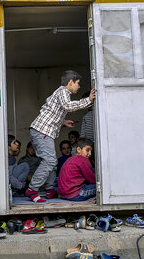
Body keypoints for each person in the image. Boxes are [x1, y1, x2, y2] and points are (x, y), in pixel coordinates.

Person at [25, 70, 95, 202]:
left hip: (41, 131)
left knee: (52, 161)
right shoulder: (63, 91)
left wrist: (62, 122)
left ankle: (50, 190)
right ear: (70, 82)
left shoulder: (58, 93)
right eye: (78, 83)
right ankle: (32, 190)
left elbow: (49, 111)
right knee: (50, 161)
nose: (79, 86)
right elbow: (68, 106)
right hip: (42, 132)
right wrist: (88, 100)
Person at [57, 137, 96, 201]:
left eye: (91, 151)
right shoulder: (83, 159)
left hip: (63, 195)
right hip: (75, 194)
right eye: (87, 150)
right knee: (102, 187)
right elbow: (92, 179)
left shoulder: (70, 159)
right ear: (78, 149)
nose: (90, 153)